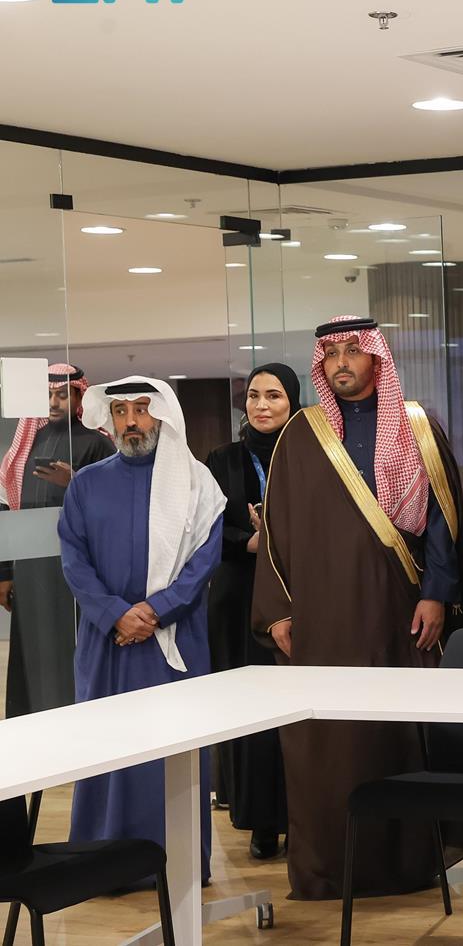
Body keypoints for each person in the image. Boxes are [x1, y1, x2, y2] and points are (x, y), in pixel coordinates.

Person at [253, 316, 463, 901]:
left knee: (397, 736)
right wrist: (277, 613)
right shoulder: (302, 434)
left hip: (401, 612)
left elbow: (443, 521)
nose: (341, 363)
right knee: (329, 744)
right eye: (331, 354)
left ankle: (407, 864)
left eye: (353, 351)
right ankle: (331, 868)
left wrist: (437, 593)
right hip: (323, 619)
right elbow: (276, 532)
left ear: (377, 358)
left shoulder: (417, 426)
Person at [60, 376, 225, 883]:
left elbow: (203, 563)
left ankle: (173, 863)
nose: (131, 421)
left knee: (171, 753)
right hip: (106, 642)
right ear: (109, 419)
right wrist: (116, 613)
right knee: (107, 749)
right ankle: (102, 864)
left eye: (141, 409)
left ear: (163, 415)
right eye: (121, 411)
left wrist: (154, 612)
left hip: (172, 641)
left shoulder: (196, 484)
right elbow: (74, 562)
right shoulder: (86, 484)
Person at [204, 363, 297, 859]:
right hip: (238, 596)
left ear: (293, 401)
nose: (262, 405)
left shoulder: (312, 453)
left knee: (296, 709)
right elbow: (202, 530)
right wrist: (249, 541)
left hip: (300, 593)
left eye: (274, 396)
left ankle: (300, 816)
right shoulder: (222, 459)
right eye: (254, 396)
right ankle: (259, 819)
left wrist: (281, 538)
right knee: (250, 711)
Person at [0, 364, 114, 717]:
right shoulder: (28, 442)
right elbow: (11, 508)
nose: (53, 402)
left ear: (80, 397)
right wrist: (5, 572)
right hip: (30, 570)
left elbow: (113, 507)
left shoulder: (97, 443)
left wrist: (74, 481)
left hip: (73, 570)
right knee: (30, 652)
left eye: (63, 395)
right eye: (48, 395)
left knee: (68, 648)